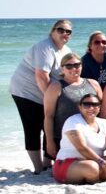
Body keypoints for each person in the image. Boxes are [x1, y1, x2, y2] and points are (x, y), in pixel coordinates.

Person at [9, 19, 73, 172]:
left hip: (44, 92)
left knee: (50, 126)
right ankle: (38, 168)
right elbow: (41, 76)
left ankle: (47, 163)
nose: (64, 33)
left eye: (68, 31)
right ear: (52, 31)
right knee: (33, 127)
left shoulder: (65, 50)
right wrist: (51, 100)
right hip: (26, 92)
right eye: (61, 30)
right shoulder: (45, 47)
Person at [53, 93, 106, 188]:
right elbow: (81, 148)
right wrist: (104, 164)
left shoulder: (105, 123)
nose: (91, 108)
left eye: (95, 105)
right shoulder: (73, 121)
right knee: (92, 167)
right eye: (86, 104)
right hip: (69, 163)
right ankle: (105, 176)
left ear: (99, 107)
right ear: (80, 107)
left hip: (97, 162)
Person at [43, 53, 103, 165]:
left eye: (77, 65)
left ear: (82, 66)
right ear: (62, 69)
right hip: (65, 139)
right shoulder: (56, 87)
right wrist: (49, 142)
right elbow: (48, 116)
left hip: (90, 137)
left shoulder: (93, 84)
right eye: (69, 66)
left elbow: (101, 112)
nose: (74, 68)